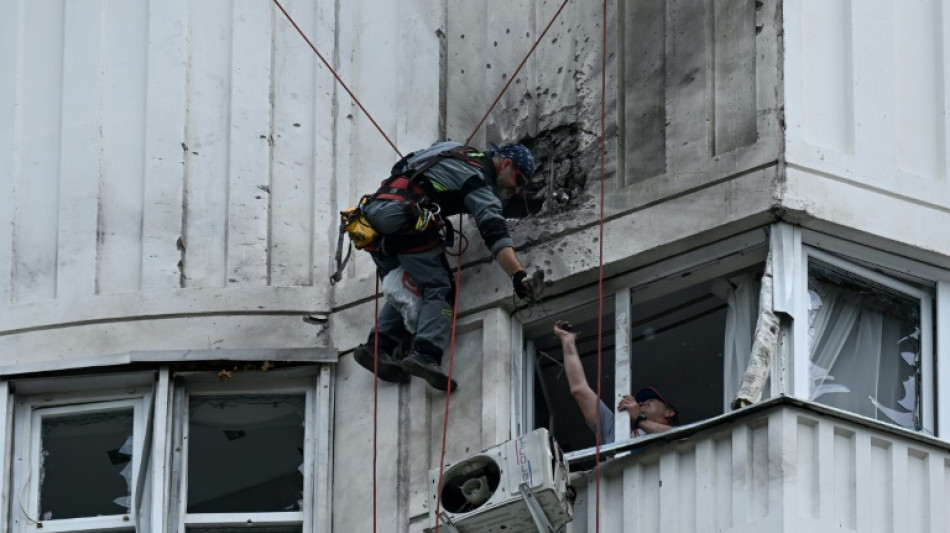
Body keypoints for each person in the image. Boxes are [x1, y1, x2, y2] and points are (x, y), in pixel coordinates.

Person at [352, 141, 537, 392]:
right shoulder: (479, 182)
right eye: (519, 180)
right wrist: (518, 275)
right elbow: (495, 233)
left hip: (373, 216)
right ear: (506, 164)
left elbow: (404, 163)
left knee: (411, 284)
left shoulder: (455, 149)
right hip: (405, 218)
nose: (517, 189)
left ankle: (377, 348)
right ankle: (425, 354)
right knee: (440, 287)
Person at [553, 322, 678, 443]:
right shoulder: (617, 434)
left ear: (669, 412)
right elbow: (579, 389)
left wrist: (639, 419)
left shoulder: (681, 441)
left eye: (650, 400)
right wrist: (567, 340)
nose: (641, 403)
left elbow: (675, 435)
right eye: (641, 402)